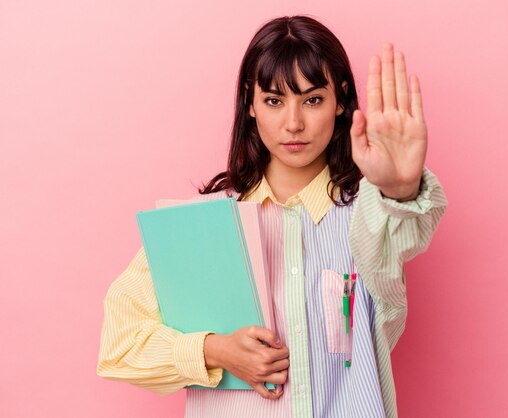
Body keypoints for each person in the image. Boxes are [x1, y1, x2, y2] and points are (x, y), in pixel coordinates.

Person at [97, 14, 447, 418]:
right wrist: (215, 350)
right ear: (250, 102)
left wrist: (399, 189)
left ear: (340, 101)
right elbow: (118, 343)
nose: (293, 123)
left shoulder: (367, 213)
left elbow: (405, 233)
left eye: (313, 99)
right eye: (274, 100)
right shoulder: (204, 226)